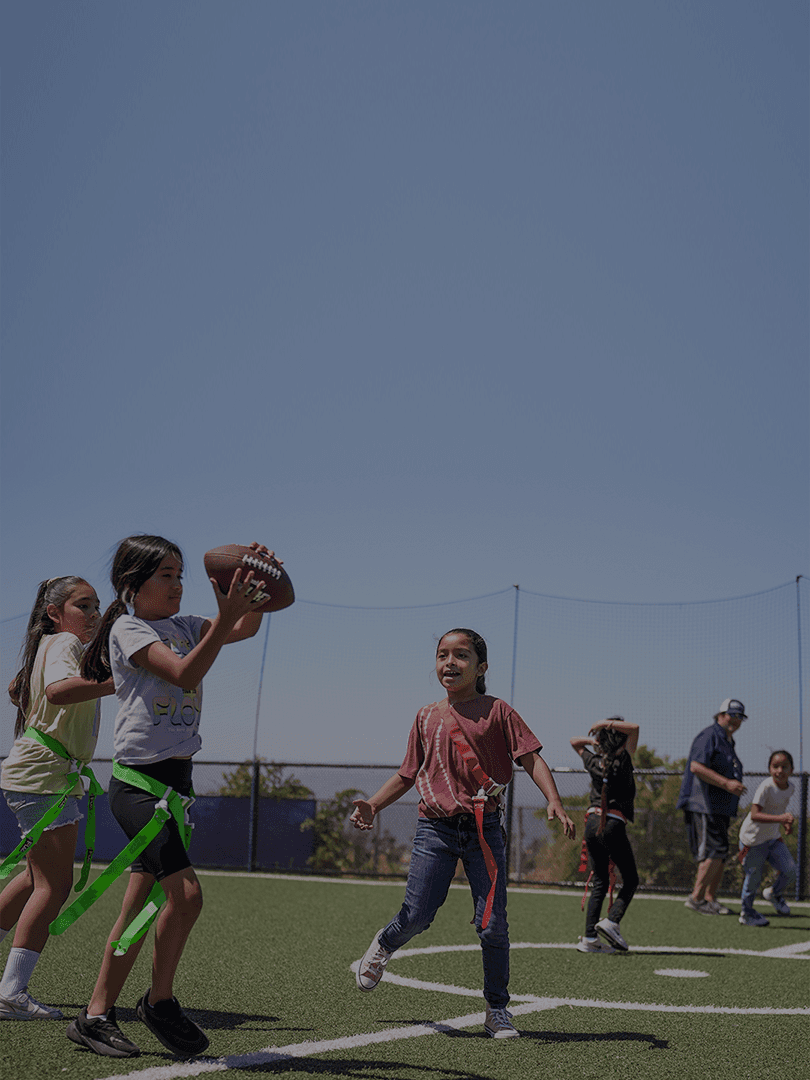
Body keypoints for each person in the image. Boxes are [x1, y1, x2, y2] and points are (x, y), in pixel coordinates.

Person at [65, 535, 277, 1059]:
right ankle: (159, 1002)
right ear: (132, 585)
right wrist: (226, 618)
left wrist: (257, 582)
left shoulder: (185, 626)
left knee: (136, 914)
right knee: (186, 897)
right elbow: (185, 673)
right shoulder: (127, 628)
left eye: (181, 572)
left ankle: (94, 1017)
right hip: (138, 788)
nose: (179, 582)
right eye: (166, 574)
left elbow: (247, 624)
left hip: (175, 790)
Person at [350, 628, 575, 1040]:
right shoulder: (425, 716)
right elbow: (407, 774)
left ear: (481, 667)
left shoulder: (499, 712)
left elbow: (532, 759)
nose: (449, 662)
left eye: (461, 655)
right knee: (418, 914)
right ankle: (384, 943)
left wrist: (554, 800)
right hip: (434, 828)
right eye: (442, 655)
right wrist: (373, 804)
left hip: (484, 830)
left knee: (492, 925)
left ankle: (497, 1009)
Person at [1, 577, 114, 1020]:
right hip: (44, 776)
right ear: (54, 613)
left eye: (96, 605)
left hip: (38, 772)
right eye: (83, 605)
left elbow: (17, 689)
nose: (93, 614)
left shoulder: (50, 644)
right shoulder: (66, 641)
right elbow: (56, 692)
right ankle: (11, 993)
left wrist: (31, 710)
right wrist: (114, 681)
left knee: (34, 878)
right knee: (54, 885)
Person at [570, 717, 639, 954]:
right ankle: (611, 921)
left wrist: (595, 738)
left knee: (600, 880)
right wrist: (607, 723)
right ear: (622, 741)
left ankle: (589, 939)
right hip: (613, 824)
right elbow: (635, 728)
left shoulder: (594, 760)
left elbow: (574, 742)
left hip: (591, 823)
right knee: (631, 880)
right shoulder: (624, 758)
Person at [676, 698, 746, 915]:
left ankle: (710, 899)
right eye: (731, 715)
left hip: (720, 807)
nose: (735, 720)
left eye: (739, 717)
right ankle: (696, 898)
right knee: (712, 851)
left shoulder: (727, 740)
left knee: (721, 852)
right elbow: (696, 766)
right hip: (704, 806)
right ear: (720, 715)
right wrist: (727, 783)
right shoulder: (709, 735)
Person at [737, 750, 796, 927]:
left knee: (790, 871)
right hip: (752, 840)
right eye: (775, 766)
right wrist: (781, 819)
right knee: (753, 879)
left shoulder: (791, 788)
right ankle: (746, 914)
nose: (780, 770)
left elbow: (779, 810)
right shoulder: (766, 787)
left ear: (792, 769)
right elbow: (755, 814)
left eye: (784, 767)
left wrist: (785, 824)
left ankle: (774, 894)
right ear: (769, 769)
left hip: (772, 838)